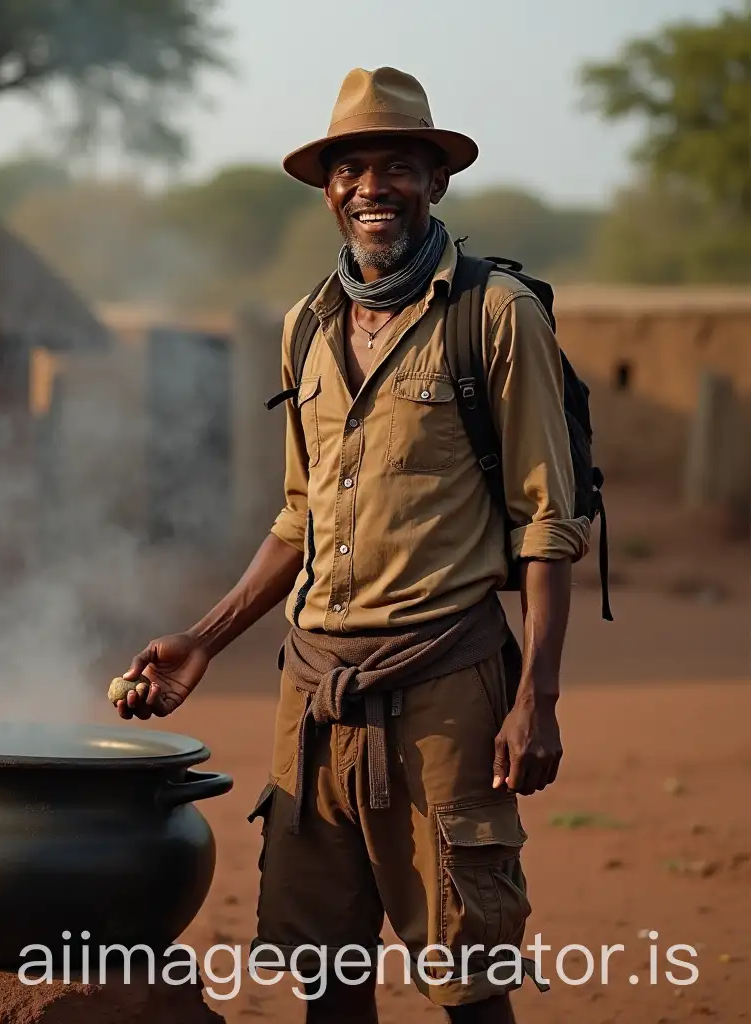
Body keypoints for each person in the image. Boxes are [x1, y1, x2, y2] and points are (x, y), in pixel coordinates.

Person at [114, 67, 590, 1024]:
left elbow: (548, 520)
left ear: (436, 182)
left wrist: (535, 698)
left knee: (468, 974)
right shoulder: (307, 327)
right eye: (353, 168)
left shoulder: (496, 317)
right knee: (327, 977)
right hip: (313, 693)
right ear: (327, 188)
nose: (373, 185)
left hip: (446, 684)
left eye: (399, 166)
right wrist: (205, 638)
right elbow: (301, 514)